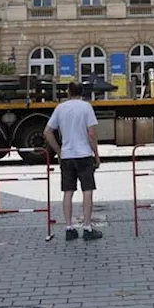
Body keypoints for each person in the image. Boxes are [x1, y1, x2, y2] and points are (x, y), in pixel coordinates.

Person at [44, 82, 102, 241]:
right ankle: (88, 228)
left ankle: (69, 228)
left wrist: (59, 151)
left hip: (67, 156)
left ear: (68, 92)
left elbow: (47, 132)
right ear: (82, 92)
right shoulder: (86, 107)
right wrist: (96, 156)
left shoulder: (60, 108)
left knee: (68, 192)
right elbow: (91, 134)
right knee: (87, 191)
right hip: (84, 155)